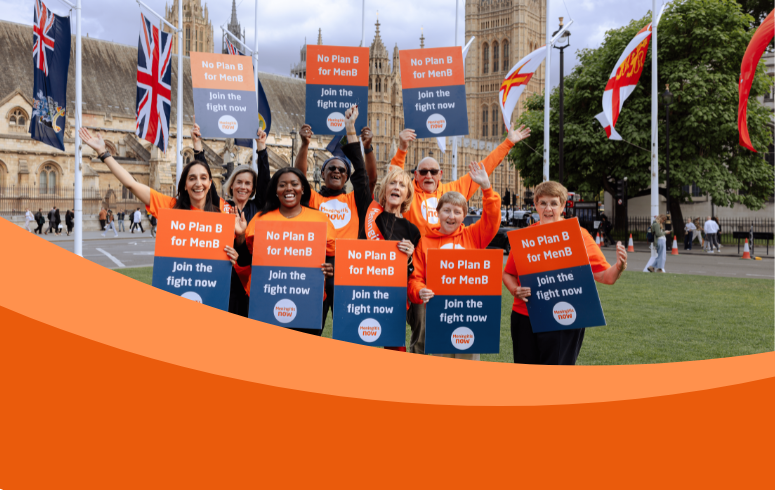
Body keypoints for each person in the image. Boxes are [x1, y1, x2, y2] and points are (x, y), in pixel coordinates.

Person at [389, 123, 531, 354]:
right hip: (422, 273)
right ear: (415, 175)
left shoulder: (452, 192)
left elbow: (482, 170)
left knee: (462, 342)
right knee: (422, 337)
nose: (428, 175)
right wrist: (402, 148)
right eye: (423, 172)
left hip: (460, 288)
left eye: (433, 171)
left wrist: (507, 143)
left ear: (440, 174)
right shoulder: (409, 195)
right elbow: (393, 179)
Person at [503, 181, 628, 365]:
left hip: (564, 316)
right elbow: (508, 274)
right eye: (543, 203)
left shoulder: (578, 235)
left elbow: (605, 277)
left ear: (562, 206)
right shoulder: (525, 237)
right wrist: (515, 290)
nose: (548, 209)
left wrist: (618, 267)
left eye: (554, 203)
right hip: (524, 316)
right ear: (535, 205)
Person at [78, 126, 240, 265]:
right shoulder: (171, 207)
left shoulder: (222, 212)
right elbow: (131, 184)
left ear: (210, 183)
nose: (198, 183)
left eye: (203, 178)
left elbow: (234, 249)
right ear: (185, 184)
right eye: (192, 178)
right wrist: (103, 153)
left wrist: (235, 257)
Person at [408, 162, 500, 359]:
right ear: (438, 213)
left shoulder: (473, 236)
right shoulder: (424, 242)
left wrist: (486, 188)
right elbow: (415, 278)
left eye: (457, 212)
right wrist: (420, 290)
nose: (451, 216)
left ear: (464, 216)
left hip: (469, 312)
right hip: (439, 314)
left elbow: (492, 220)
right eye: (447, 210)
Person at [294, 107, 374, 331]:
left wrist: (351, 132)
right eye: (331, 168)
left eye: (341, 169)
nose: (336, 171)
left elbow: (365, 176)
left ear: (347, 177)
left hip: (347, 268)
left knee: (347, 332)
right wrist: (304, 145)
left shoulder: (354, 200)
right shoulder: (314, 199)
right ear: (322, 174)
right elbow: (298, 178)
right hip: (317, 268)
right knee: (309, 330)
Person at [234, 168, 335, 336]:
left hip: (309, 301)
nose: (289, 188)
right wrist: (240, 235)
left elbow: (332, 257)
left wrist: (332, 269)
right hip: (264, 299)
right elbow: (245, 259)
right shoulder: (260, 219)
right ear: (275, 190)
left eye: (294, 184)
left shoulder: (320, 220)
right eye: (282, 185)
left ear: (303, 188)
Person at [223, 129, 271, 317]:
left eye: (248, 183)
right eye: (239, 182)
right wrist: (197, 149)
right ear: (231, 185)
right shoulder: (222, 207)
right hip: (227, 274)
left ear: (253, 189)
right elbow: (204, 188)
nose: (243, 187)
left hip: (251, 275)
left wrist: (261, 148)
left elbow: (265, 180)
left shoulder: (258, 207)